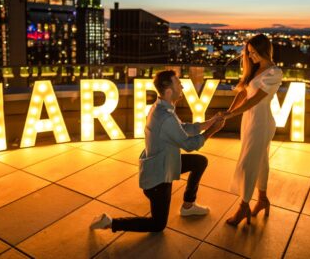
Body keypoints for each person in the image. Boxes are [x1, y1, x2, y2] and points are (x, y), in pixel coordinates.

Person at [90, 70, 225, 232]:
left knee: (199, 162)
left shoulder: (163, 107)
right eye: (178, 83)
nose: (182, 85)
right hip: (158, 179)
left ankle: (188, 206)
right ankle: (110, 222)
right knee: (158, 225)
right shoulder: (165, 116)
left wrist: (209, 122)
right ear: (169, 91)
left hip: (165, 163)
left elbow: (182, 128)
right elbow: (189, 145)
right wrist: (213, 130)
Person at [219, 34, 282, 226]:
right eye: (249, 53)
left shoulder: (274, 72)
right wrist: (229, 112)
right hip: (249, 120)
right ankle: (262, 199)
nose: (251, 56)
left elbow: (255, 99)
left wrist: (232, 115)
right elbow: (244, 93)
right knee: (260, 161)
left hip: (261, 122)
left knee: (248, 164)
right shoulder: (254, 69)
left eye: (254, 52)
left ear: (264, 50)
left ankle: (243, 206)